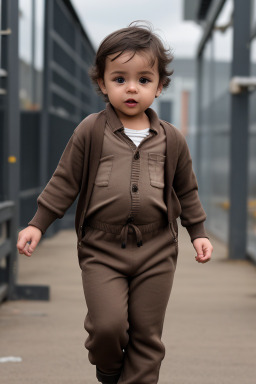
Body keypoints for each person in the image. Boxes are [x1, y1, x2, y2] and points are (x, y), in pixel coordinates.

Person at [17, 22, 213, 384]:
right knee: (108, 328)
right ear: (103, 84)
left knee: (146, 336)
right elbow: (65, 181)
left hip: (156, 248)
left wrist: (197, 232)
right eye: (120, 79)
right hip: (101, 249)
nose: (132, 88)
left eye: (143, 79)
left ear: (159, 86)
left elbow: (187, 190)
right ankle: (110, 373)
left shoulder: (172, 139)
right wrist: (36, 223)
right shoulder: (91, 130)